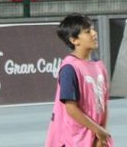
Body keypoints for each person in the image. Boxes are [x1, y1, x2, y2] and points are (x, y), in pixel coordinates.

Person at [45, 14, 112, 147]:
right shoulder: (70, 68)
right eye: (88, 31)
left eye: (93, 29)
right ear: (74, 40)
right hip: (73, 140)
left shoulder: (99, 66)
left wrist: (101, 136)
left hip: (96, 136)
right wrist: (98, 130)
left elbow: (103, 103)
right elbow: (71, 108)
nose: (94, 33)